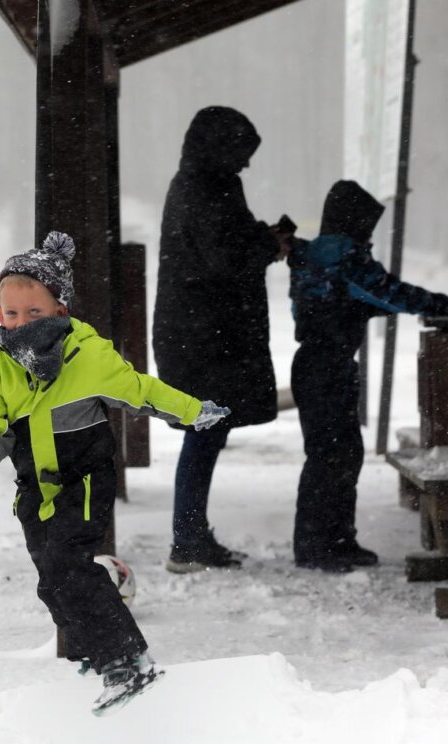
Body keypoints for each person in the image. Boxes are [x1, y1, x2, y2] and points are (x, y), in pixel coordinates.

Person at [0, 231, 231, 715]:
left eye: (34, 313)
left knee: (66, 566)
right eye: (12, 314)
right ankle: (93, 645)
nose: (21, 323)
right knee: (51, 581)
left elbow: (141, 392)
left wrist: (190, 411)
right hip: (33, 490)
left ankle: (125, 660)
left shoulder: (88, 357)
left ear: (60, 311)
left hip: (83, 480)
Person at [288, 179, 448, 573]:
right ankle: (323, 544)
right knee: (336, 456)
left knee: (331, 454)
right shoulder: (343, 256)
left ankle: (326, 539)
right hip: (329, 367)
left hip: (314, 364)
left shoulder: (313, 256)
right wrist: (434, 304)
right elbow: (384, 291)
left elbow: (345, 298)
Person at [152, 106, 293, 574]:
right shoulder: (201, 187)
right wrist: (269, 246)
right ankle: (187, 540)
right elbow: (222, 258)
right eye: (241, 152)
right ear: (219, 148)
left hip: (204, 332)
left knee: (207, 432)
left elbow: (226, 241)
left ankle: (190, 536)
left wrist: (261, 238)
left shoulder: (208, 183)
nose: (247, 163)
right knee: (204, 431)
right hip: (202, 335)